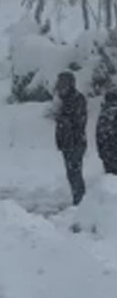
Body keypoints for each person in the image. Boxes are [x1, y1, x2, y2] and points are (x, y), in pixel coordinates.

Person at [55, 71, 88, 205]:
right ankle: (78, 198)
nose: (60, 86)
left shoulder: (77, 99)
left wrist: (63, 118)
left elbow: (78, 121)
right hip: (66, 144)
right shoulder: (62, 100)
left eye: (63, 83)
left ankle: (81, 200)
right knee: (71, 174)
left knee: (75, 173)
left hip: (76, 142)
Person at [97, 88, 117, 175]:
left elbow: (99, 134)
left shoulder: (104, 112)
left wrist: (101, 152)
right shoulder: (109, 112)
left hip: (107, 152)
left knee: (110, 179)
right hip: (111, 150)